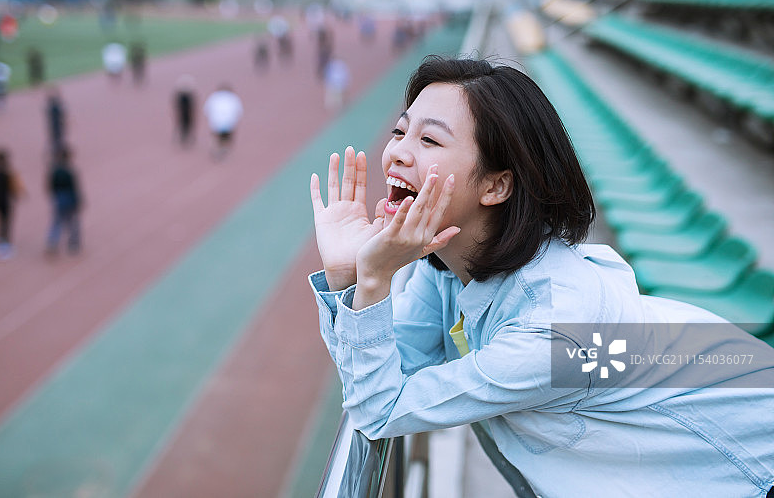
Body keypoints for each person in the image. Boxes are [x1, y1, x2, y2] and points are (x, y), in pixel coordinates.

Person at [307, 56, 774, 497]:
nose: (396, 155)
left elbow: (380, 408)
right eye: (400, 132)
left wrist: (372, 281)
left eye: (429, 141)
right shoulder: (452, 267)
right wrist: (347, 276)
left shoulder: (553, 332)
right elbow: (386, 372)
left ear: (496, 186)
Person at [45, 148, 82, 255]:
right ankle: (74, 244)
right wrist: (78, 201)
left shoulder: (54, 171)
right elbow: (74, 188)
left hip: (58, 198)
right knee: (73, 222)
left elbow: (50, 186)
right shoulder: (70, 171)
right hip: (69, 198)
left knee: (57, 222)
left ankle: (52, 243)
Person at [203, 83, 243, 159]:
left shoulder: (214, 96)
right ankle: (223, 150)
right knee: (225, 138)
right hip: (228, 122)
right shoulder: (233, 97)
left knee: (216, 137)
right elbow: (239, 111)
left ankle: (216, 149)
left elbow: (206, 109)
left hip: (216, 122)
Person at [173, 75, 196, 146]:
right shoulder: (188, 96)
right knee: (186, 125)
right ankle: (185, 137)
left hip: (183, 113)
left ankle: (184, 137)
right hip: (185, 113)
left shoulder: (180, 95)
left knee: (184, 125)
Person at [45, 86, 66, 154]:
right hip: (57, 125)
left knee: (56, 139)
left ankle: (57, 150)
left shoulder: (51, 107)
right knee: (58, 139)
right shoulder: (55, 107)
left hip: (55, 125)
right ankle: (58, 151)